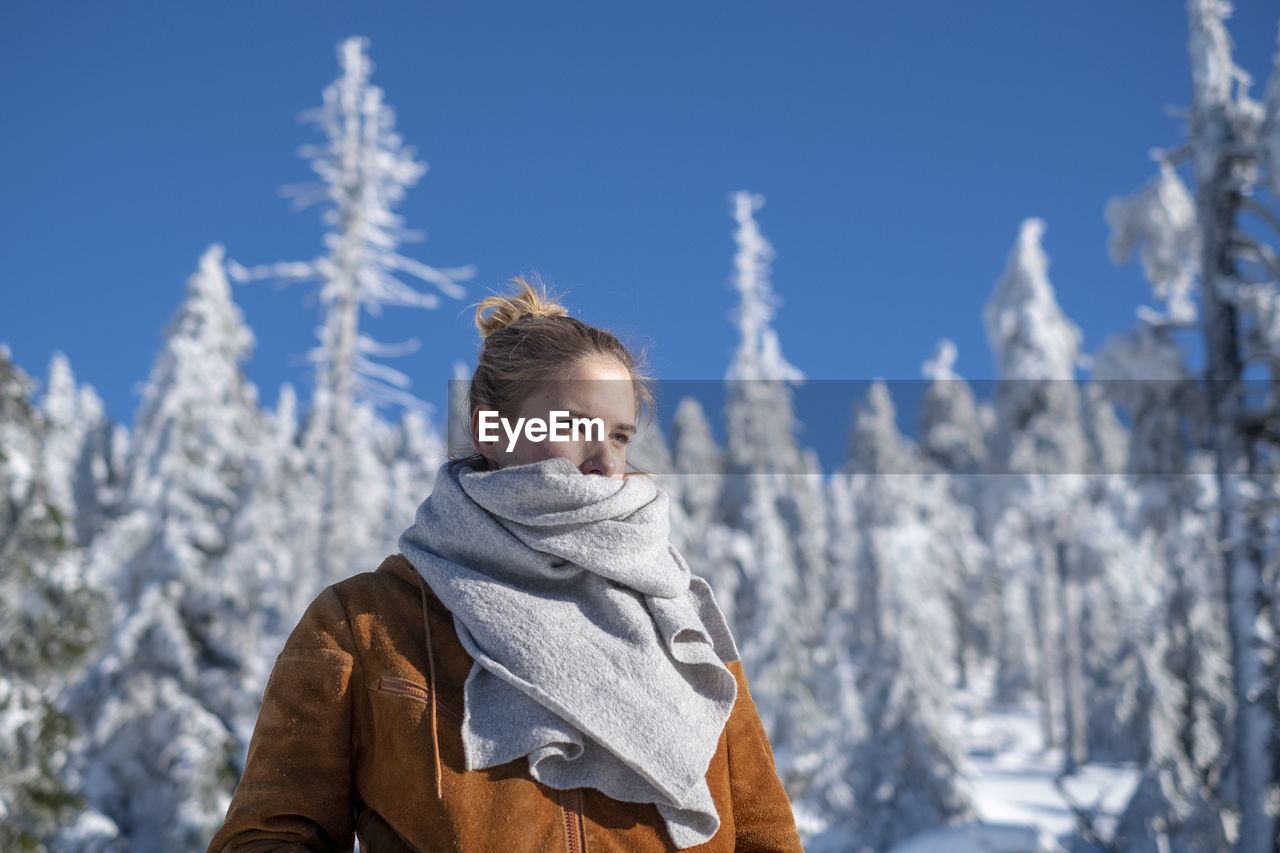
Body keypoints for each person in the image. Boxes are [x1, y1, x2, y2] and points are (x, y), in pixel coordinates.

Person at [207, 279, 804, 852]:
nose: (604, 462)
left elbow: (764, 839)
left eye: (620, 437)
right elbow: (270, 837)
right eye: (575, 427)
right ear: (488, 430)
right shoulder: (364, 623)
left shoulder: (679, 619)